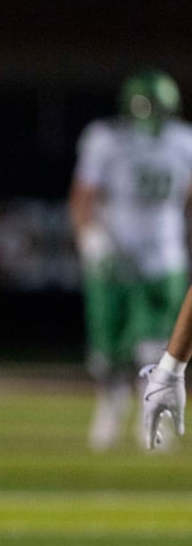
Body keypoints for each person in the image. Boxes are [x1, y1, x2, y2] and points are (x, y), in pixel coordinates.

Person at [70, 68, 192, 451]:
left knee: (156, 343)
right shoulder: (106, 139)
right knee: (106, 350)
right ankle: (110, 403)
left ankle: (149, 409)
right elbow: (83, 195)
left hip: (164, 255)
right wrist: (89, 238)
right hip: (114, 257)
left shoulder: (184, 141)